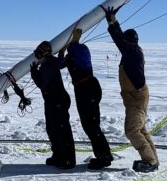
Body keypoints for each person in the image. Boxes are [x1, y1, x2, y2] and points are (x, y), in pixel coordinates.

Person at [102, 6, 159, 173]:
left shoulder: (132, 52)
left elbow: (119, 40)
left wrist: (112, 23)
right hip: (135, 97)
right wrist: (114, 21)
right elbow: (121, 40)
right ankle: (153, 161)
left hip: (136, 97)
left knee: (132, 131)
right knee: (140, 129)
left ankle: (149, 161)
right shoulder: (132, 50)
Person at [58, 28, 113, 169]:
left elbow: (76, 51)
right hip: (82, 90)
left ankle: (104, 157)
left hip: (88, 89)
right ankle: (103, 154)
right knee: (88, 125)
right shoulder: (72, 55)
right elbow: (60, 65)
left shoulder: (82, 50)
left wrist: (73, 42)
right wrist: (61, 52)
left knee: (91, 125)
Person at [30, 40, 75, 169]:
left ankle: (67, 160)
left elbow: (42, 84)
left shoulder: (48, 65)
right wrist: (61, 53)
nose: (37, 57)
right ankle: (58, 155)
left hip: (58, 101)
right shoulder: (50, 62)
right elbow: (61, 63)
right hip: (52, 101)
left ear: (44, 54)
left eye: (38, 54)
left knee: (61, 130)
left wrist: (34, 73)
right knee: (52, 129)